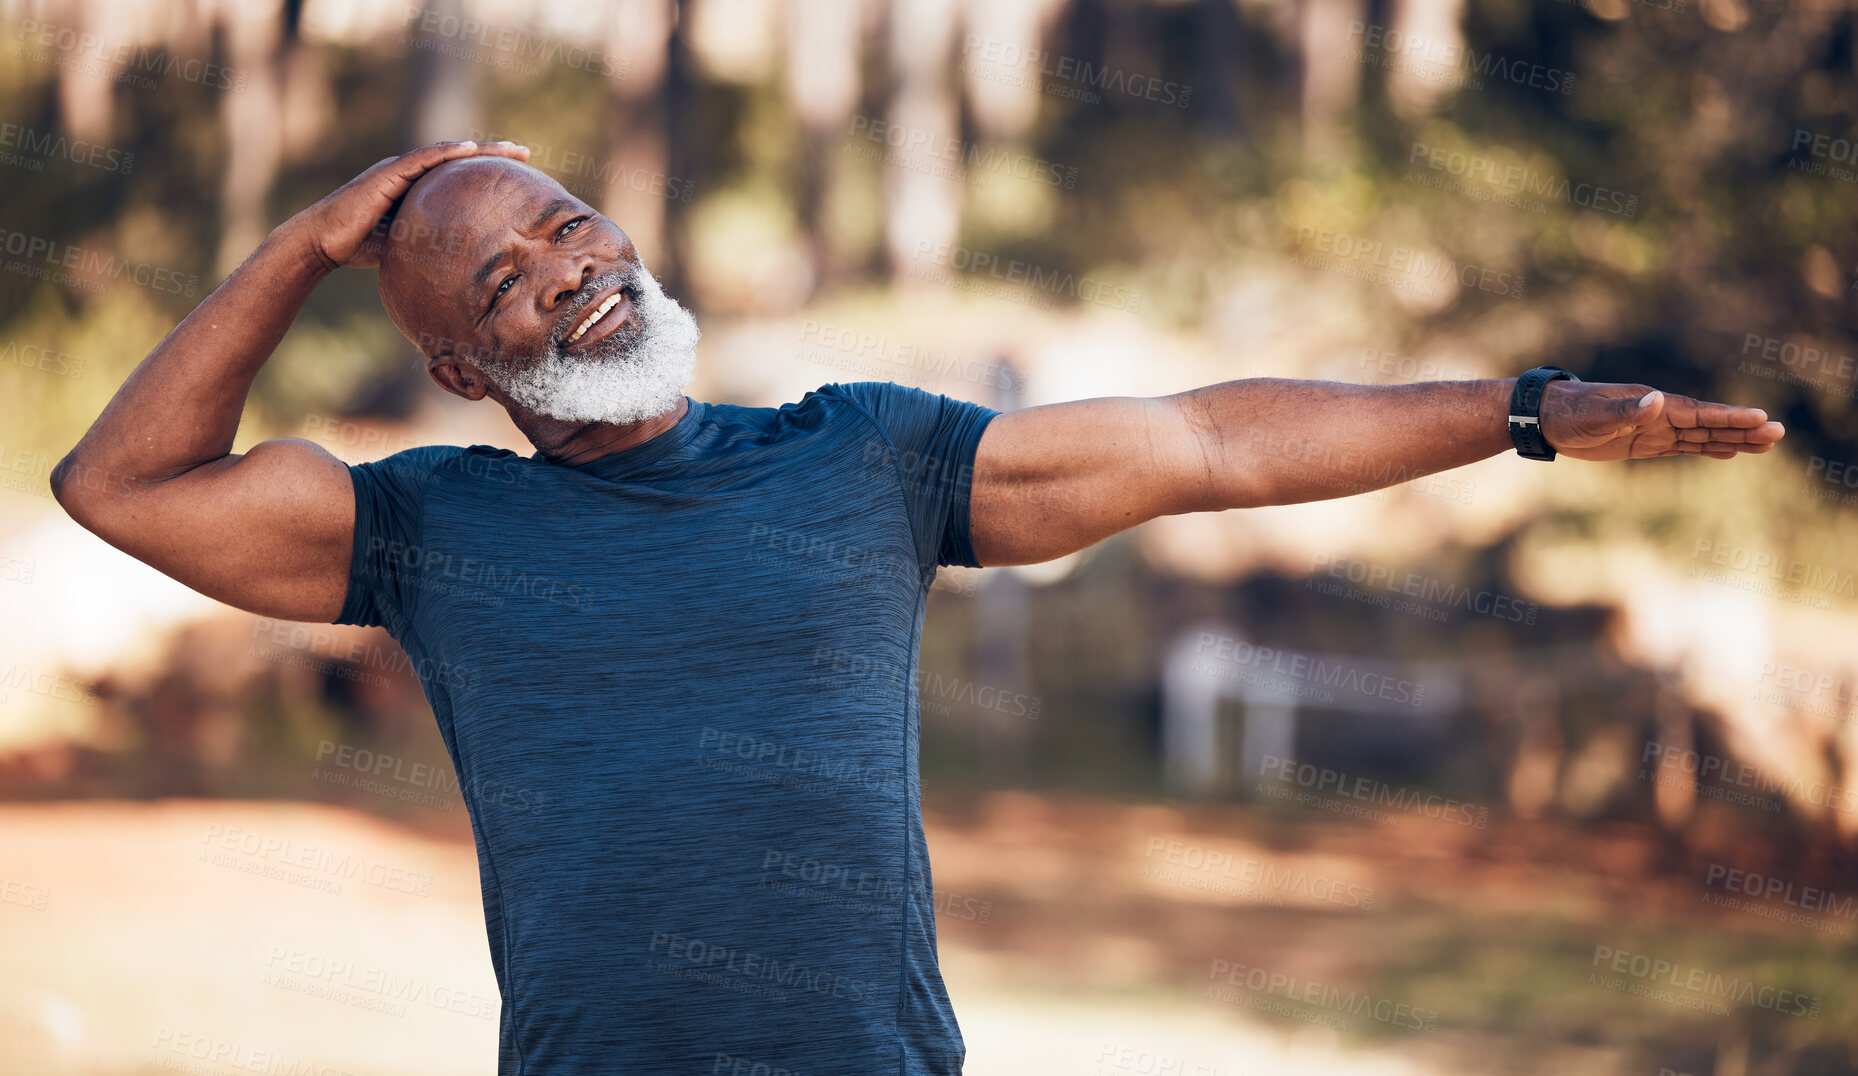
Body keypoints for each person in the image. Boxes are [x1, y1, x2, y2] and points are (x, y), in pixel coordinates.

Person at [49, 140, 1785, 1075]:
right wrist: (303, 243)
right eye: (503, 282)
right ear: (449, 361)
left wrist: (1518, 412)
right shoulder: (420, 528)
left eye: (572, 231)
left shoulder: (862, 461)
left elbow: (1208, 442)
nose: (567, 276)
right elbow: (118, 488)